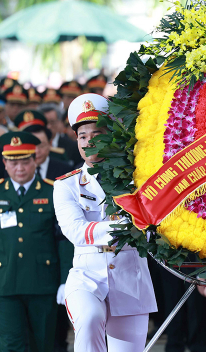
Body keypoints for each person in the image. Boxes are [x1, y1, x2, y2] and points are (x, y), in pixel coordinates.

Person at [54, 93, 157, 351]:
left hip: (130, 279)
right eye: (82, 136)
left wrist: (137, 229)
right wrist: (125, 228)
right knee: (88, 320)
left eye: (96, 134)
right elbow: (75, 231)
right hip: (86, 277)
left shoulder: (136, 178)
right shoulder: (66, 184)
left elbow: (150, 228)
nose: (89, 142)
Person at [0, 131, 72, 352]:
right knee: (10, 343)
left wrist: (65, 278)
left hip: (43, 282)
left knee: (43, 343)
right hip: (5, 282)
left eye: (25, 162)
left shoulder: (52, 191)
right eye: (13, 162)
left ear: (34, 161)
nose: (19, 168)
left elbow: (63, 240)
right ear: (5, 163)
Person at [14, 110, 72, 180]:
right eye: (32, 146)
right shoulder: (16, 171)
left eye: (41, 146)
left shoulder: (65, 170)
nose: (37, 151)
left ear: (50, 144)